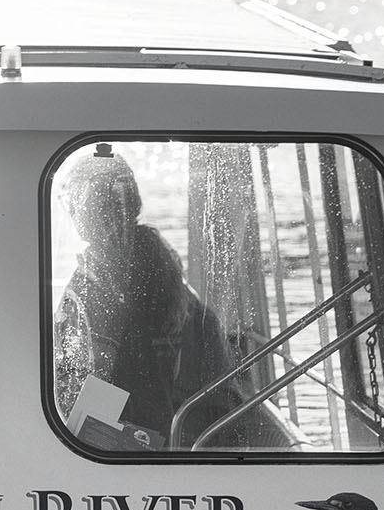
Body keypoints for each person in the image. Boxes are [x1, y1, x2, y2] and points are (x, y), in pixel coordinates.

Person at [54, 142, 255, 448]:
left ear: (84, 215)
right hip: (205, 437)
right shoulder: (166, 273)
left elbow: (91, 397)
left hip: (147, 448)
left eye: (76, 207)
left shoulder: (98, 289)